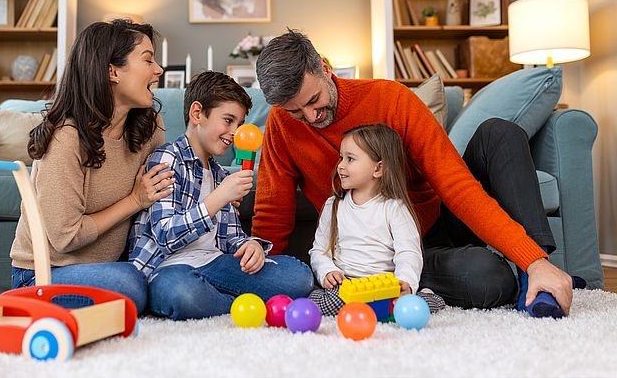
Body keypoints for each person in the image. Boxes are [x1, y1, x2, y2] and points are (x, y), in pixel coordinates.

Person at [252, 29, 576, 317]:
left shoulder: (390, 99)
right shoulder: (282, 126)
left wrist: (532, 258)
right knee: (489, 280)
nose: (310, 116)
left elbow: (456, 185)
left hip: (435, 223)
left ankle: (537, 270)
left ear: (324, 68)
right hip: (384, 258)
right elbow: (273, 212)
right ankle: (508, 273)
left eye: (314, 100)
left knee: (500, 133)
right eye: (295, 111)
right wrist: (267, 277)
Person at [10, 19, 174, 313]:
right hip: (43, 274)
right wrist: (134, 200)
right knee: (132, 285)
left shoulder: (150, 127)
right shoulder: (66, 138)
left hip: (111, 269)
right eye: (148, 60)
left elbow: (166, 190)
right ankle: (18, 303)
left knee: (165, 281)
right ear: (112, 71)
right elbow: (65, 237)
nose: (158, 69)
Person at [128, 71, 313, 321]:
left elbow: (230, 239)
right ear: (197, 114)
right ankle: (240, 303)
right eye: (228, 120)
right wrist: (219, 197)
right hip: (169, 268)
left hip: (214, 264)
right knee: (182, 295)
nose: (234, 132)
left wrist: (251, 246)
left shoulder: (219, 173)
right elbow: (164, 235)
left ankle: (220, 300)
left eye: (238, 124)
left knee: (299, 277)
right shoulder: (168, 158)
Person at [308, 124, 445, 316]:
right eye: (341, 157)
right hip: (345, 287)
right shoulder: (334, 205)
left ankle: (426, 296)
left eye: (350, 159)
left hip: (382, 289)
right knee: (324, 302)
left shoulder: (394, 208)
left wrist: (405, 283)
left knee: (404, 309)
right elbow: (319, 250)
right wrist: (327, 272)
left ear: (378, 168)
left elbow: (408, 252)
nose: (340, 165)